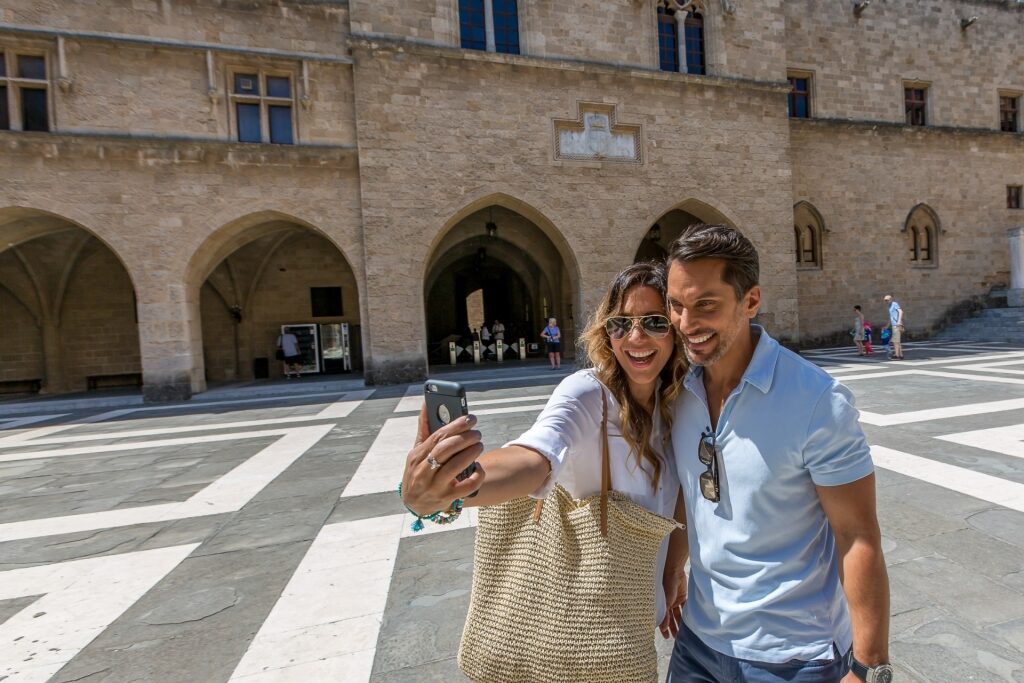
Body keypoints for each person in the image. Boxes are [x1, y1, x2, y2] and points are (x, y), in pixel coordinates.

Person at [400, 262, 689, 664]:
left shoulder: (678, 402)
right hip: (575, 631)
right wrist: (456, 488)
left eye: (654, 322)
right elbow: (536, 454)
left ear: (675, 329)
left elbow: (682, 497)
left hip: (636, 622)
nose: (635, 337)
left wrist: (674, 569)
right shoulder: (588, 393)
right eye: (620, 323)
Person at [663, 224, 891, 683]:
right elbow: (694, 494)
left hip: (793, 658)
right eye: (676, 305)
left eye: (706, 304)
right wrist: (672, 569)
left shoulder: (816, 401)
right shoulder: (680, 392)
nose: (686, 325)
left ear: (750, 301)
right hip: (698, 643)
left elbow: (857, 535)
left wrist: (868, 667)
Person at [883, 294, 905, 360]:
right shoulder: (889, 307)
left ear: (891, 299)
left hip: (896, 325)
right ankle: (901, 355)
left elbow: (901, 311)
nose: (886, 301)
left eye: (887, 300)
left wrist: (898, 322)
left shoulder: (894, 304)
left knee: (895, 341)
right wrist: (887, 326)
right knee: (897, 341)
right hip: (894, 325)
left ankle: (897, 355)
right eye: (885, 300)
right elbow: (891, 317)